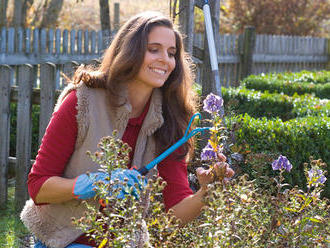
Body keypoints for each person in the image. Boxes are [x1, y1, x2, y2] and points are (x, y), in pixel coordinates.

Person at [20, 11, 234, 248]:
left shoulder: (170, 120)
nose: (165, 59)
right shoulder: (83, 101)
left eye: (171, 53)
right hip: (62, 238)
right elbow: (38, 187)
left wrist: (205, 194)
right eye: (154, 49)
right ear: (131, 51)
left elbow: (173, 215)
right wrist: (98, 184)